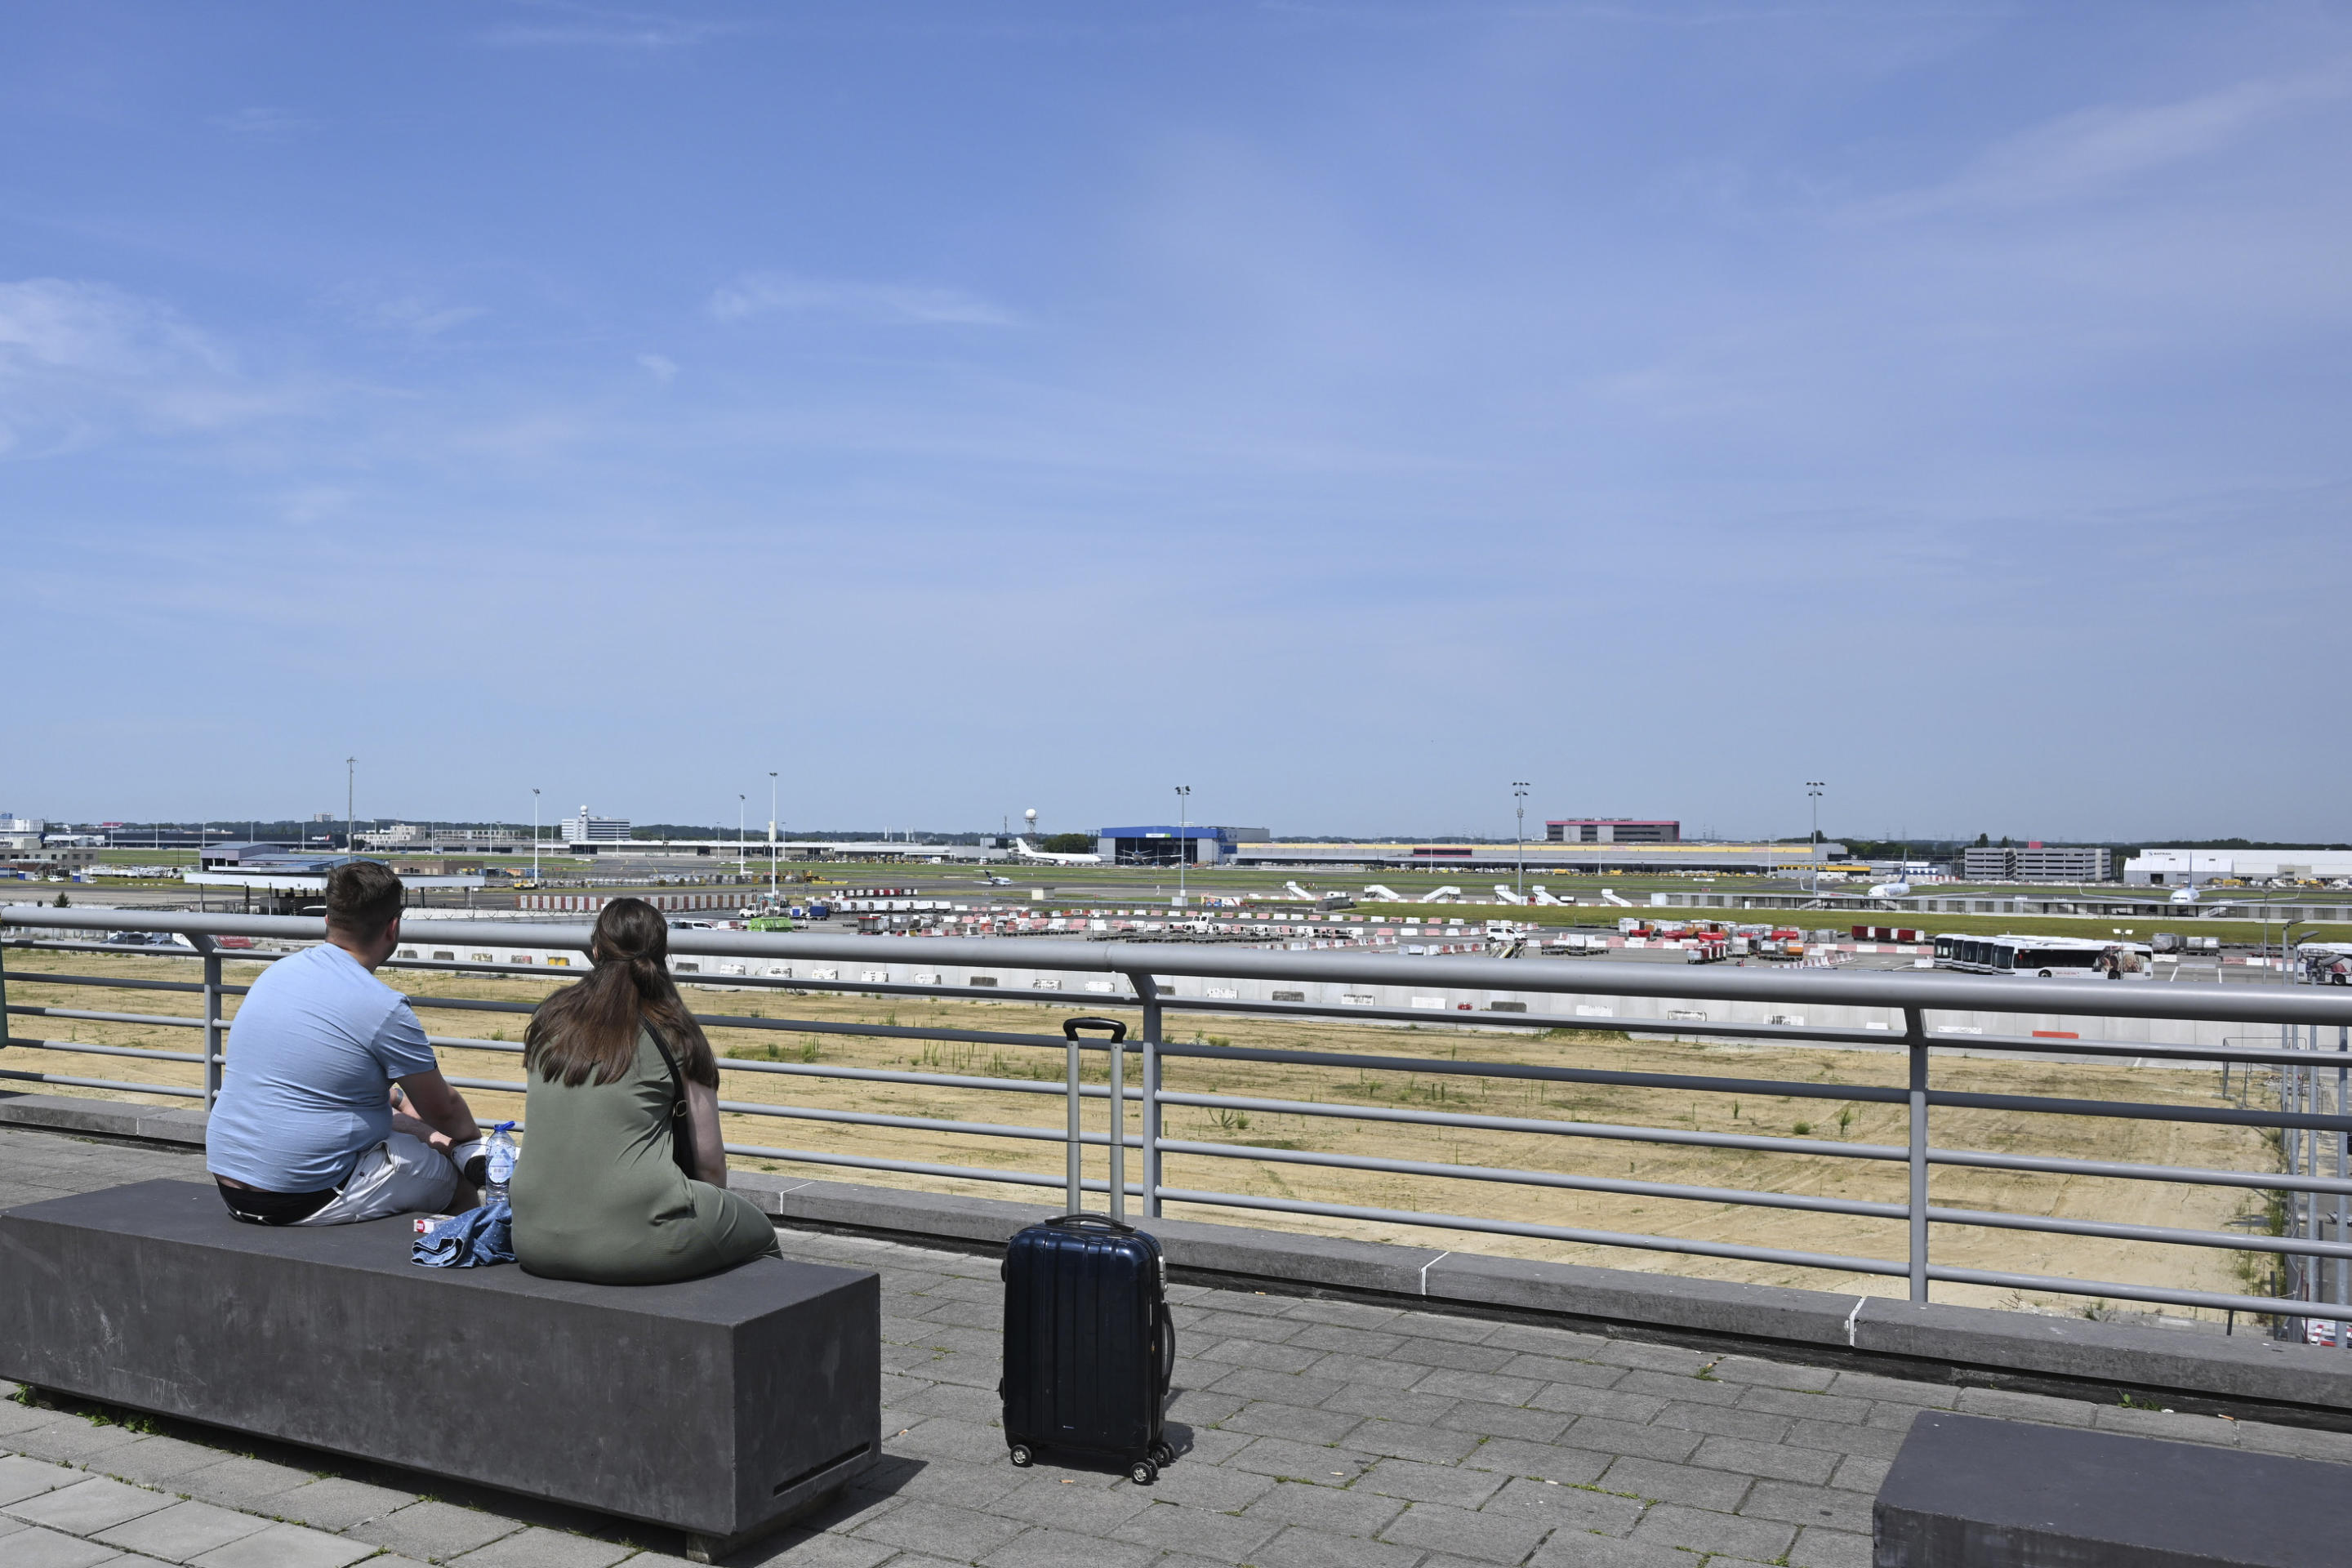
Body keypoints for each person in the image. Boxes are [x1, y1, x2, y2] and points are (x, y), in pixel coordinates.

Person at [509, 898, 779, 1284]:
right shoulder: (676, 1031)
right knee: (760, 1234)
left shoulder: (549, 1020)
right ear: (663, 953)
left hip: (531, 1236)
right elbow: (710, 1164)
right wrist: (702, 1210)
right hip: (634, 1241)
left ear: (595, 950)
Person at [207, 861, 484, 1225]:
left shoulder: (277, 975)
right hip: (300, 1195)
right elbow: (444, 1109)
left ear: (328, 920)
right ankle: (468, 1263)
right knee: (457, 1181)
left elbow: (321, 1082)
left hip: (231, 1182)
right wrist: (469, 1147)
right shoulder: (383, 1007)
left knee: (399, 1124)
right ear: (393, 927)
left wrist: (400, 1101)